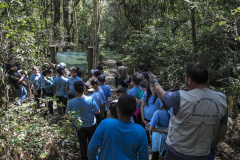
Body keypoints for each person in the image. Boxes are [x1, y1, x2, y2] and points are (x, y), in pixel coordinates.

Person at [149, 62, 228, 160]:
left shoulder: (179, 97)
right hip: (202, 154)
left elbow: (161, 94)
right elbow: (223, 128)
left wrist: (155, 80)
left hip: (177, 152)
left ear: (189, 80)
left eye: (185, 76)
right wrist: (213, 144)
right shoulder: (221, 99)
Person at [87, 94, 149, 160]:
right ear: (135, 110)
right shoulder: (140, 131)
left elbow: (91, 149)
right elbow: (144, 157)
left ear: (117, 110)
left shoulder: (105, 124)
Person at [66, 80, 100, 160]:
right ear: (84, 88)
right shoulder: (90, 99)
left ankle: (84, 158)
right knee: (91, 142)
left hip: (79, 126)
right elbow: (97, 111)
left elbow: (67, 115)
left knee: (82, 143)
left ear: (74, 90)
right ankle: (92, 157)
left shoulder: (71, 102)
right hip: (91, 124)